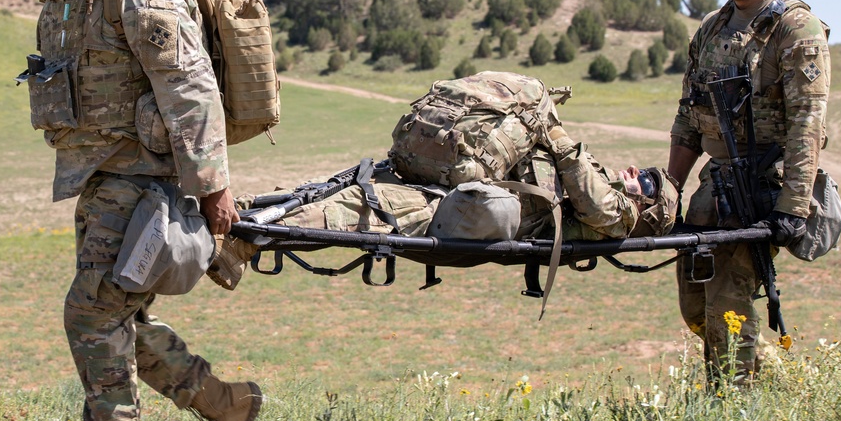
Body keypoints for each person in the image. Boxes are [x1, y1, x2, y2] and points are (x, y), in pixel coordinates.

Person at [5, 0, 261, 421]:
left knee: (91, 313)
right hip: (101, 181)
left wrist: (212, 188)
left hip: (146, 186)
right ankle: (226, 404)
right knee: (119, 320)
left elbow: (190, 89)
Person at [668, 0, 831, 384]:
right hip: (712, 188)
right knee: (695, 306)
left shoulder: (794, 29)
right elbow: (687, 117)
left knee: (728, 306)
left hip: (762, 188)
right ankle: (784, 385)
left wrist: (793, 207)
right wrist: (668, 189)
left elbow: (807, 123)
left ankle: (733, 412)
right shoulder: (712, 29)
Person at [209, 128, 681, 289]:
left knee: (359, 207)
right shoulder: (595, 179)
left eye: (647, 181)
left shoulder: (618, 215)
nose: (635, 171)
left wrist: (550, 129)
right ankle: (241, 212)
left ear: (650, 209)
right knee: (339, 187)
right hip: (456, 189)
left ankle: (243, 239)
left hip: (460, 214)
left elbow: (594, 203)